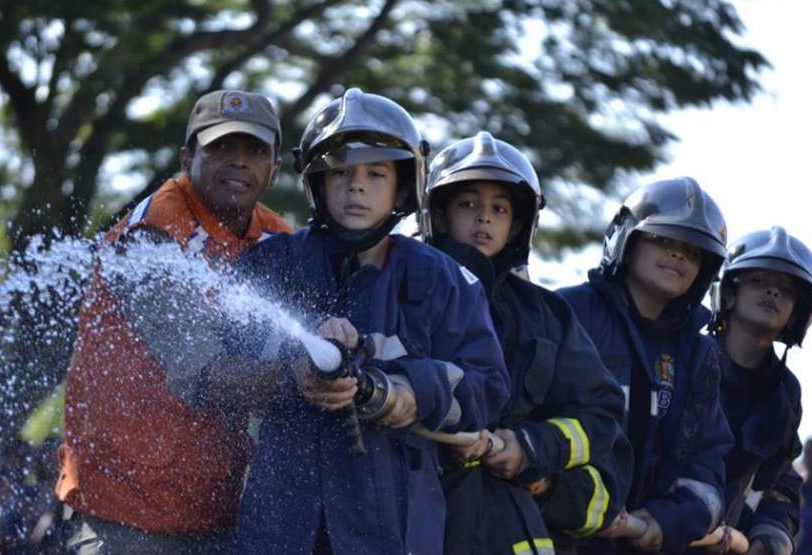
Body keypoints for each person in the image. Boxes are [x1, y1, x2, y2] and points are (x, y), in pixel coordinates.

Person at [214, 89, 510, 554]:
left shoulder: (443, 279)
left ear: (404, 186)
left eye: (376, 173)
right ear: (317, 183)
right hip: (278, 528)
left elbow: (488, 387)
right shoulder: (270, 264)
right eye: (341, 172)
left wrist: (408, 393)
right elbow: (215, 373)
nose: (356, 187)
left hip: (392, 529)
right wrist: (292, 372)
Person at [55, 90, 293, 553]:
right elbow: (200, 375)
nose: (238, 161)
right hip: (123, 518)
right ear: (187, 159)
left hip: (215, 514)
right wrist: (300, 382)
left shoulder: (277, 238)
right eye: (221, 147)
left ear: (275, 170)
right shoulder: (154, 235)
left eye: (254, 150)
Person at [422, 132, 633, 554]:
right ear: (439, 217)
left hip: (508, 528)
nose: (484, 219)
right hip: (421, 516)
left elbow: (600, 410)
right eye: (468, 205)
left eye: (498, 209)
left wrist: (531, 448)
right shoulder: (407, 288)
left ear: (518, 226)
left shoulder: (547, 316)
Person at [556, 177, 734, 554]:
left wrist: (664, 522)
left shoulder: (699, 355)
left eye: (692, 251)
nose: (678, 255)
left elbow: (706, 462)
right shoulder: (566, 313)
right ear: (626, 239)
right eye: (662, 239)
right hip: (560, 535)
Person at [702, 226, 812, 555]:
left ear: (797, 314)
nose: (772, 292)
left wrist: (773, 533)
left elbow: (779, 482)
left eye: (785, 290)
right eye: (759, 280)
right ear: (728, 293)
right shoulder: (688, 359)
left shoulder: (786, 391)